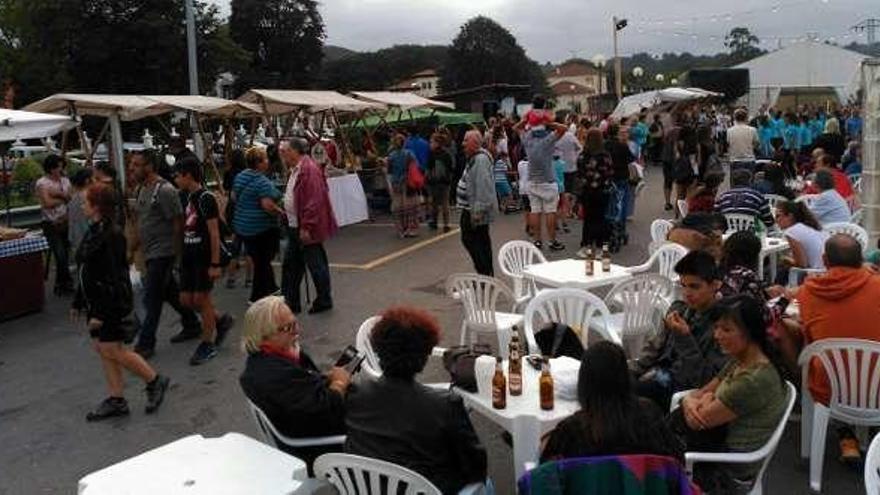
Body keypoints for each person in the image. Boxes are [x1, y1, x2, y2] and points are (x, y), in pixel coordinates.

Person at [345, 306, 488, 494]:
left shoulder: (354, 395)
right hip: (426, 489)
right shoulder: (444, 405)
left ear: (378, 349)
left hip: (366, 488)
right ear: (425, 355)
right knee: (484, 486)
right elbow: (476, 467)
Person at [72, 183, 169, 421]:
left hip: (110, 304)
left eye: (86, 202)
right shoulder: (94, 229)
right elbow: (86, 268)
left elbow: (115, 278)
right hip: (96, 302)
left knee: (112, 349)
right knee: (103, 348)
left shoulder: (111, 234)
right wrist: (78, 301)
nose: (82, 205)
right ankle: (117, 398)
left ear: (97, 207)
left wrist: (102, 314)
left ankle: (154, 380)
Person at [671, 296, 787, 494]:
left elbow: (697, 422)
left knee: (653, 441)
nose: (717, 335)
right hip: (716, 438)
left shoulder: (753, 380)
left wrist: (693, 401)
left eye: (726, 330)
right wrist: (695, 399)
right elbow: (704, 392)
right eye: (716, 328)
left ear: (750, 332)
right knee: (654, 428)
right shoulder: (741, 360)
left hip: (729, 467)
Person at [794, 234, 880, 462]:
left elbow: (810, 335)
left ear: (824, 259)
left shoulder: (807, 292)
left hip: (831, 388)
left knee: (829, 365)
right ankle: (868, 437)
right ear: (861, 258)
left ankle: (846, 436)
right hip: (877, 383)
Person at [239, 296, 350, 465]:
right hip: (321, 445)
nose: (297, 330)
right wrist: (339, 383)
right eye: (288, 327)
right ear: (265, 335)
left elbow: (304, 390)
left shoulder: (272, 358)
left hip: (312, 426)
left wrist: (325, 378)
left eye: (295, 322)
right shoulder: (274, 374)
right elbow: (326, 412)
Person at [541, 341, 684, 462]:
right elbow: (676, 460)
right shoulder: (650, 415)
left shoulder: (572, 429)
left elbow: (546, 472)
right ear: (625, 377)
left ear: (584, 383)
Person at [631, 251, 728, 410]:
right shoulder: (680, 310)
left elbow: (706, 380)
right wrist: (630, 372)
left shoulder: (724, 325)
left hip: (682, 390)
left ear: (715, 285)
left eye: (694, 286)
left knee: (621, 395)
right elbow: (653, 349)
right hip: (655, 376)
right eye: (683, 285)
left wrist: (684, 338)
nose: (687, 293)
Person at [130, 151, 203, 359]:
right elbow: (140, 222)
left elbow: (178, 223)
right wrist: (132, 248)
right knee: (169, 292)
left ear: (150, 166)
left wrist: (178, 255)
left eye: (137, 164)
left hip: (163, 252)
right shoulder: (141, 189)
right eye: (132, 164)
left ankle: (146, 343)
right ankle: (192, 323)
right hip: (149, 251)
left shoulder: (165, 190)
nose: (132, 168)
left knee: (152, 298)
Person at [174, 157, 234, 365]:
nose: (175, 179)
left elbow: (214, 233)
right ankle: (219, 320)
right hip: (188, 257)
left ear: (188, 175)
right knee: (186, 300)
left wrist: (215, 263)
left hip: (204, 258)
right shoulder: (184, 197)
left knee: (202, 300)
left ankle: (207, 343)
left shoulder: (205, 198)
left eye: (177, 175)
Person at [279, 137, 337, 315]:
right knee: (293, 265)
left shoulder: (308, 170)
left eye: (285, 150)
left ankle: (322, 299)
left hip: (304, 227)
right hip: (296, 225)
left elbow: (313, 201)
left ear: (295, 151)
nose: (282, 154)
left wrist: (307, 226)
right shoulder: (297, 169)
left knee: (314, 264)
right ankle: (292, 300)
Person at [232, 147, 284, 304]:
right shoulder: (262, 182)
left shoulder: (241, 176)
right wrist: (280, 212)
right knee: (263, 261)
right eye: (265, 159)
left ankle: (272, 287)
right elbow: (267, 205)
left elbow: (234, 197)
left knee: (259, 259)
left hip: (243, 226)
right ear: (259, 163)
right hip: (261, 227)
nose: (268, 162)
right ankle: (256, 296)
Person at [518, 118, 568, 251]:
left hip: (532, 180)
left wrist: (527, 120)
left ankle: (537, 240)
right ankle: (552, 241)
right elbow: (563, 128)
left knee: (535, 211)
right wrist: (549, 123)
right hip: (547, 180)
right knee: (550, 211)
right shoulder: (548, 140)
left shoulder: (527, 140)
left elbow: (516, 128)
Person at [456, 130, 498, 276]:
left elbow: (483, 188)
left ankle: (485, 275)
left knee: (474, 242)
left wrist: (477, 214)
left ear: (475, 143)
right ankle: (486, 275)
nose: (463, 144)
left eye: (466, 140)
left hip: (474, 211)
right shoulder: (475, 158)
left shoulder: (480, 160)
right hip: (471, 209)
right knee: (480, 243)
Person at [36, 154, 73, 295]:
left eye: (62, 166)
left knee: (65, 253)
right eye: (58, 166)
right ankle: (65, 283)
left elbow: (72, 198)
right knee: (60, 254)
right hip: (50, 223)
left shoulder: (65, 181)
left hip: (65, 220)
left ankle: (61, 284)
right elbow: (47, 203)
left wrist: (58, 195)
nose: (60, 169)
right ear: (51, 169)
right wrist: (63, 197)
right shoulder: (42, 183)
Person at [576, 128, 614, 256]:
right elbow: (609, 173)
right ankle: (600, 248)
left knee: (588, 219)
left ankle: (586, 246)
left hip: (587, 192)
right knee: (601, 219)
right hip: (602, 192)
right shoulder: (605, 156)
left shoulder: (582, 156)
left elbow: (580, 175)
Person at [222, 148, 252, 289]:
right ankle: (249, 278)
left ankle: (231, 278)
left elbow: (227, 191)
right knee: (249, 248)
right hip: (247, 210)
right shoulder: (249, 174)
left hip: (233, 210)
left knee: (236, 243)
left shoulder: (229, 173)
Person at [775, 201, 828, 271]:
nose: (776, 220)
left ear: (790, 216)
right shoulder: (810, 226)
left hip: (815, 272)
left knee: (782, 267)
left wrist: (785, 259)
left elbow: (802, 264)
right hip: (827, 269)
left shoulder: (791, 231)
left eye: (778, 216)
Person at [384, 133, 420, 238]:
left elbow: (389, 170)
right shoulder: (409, 154)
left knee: (398, 206)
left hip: (396, 183)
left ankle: (400, 229)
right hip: (408, 182)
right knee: (411, 206)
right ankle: (411, 228)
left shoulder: (391, 156)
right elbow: (415, 166)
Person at [426, 132, 454, 232]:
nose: (430, 144)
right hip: (445, 182)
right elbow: (451, 168)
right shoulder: (447, 154)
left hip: (434, 182)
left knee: (434, 202)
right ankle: (446, 224)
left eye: (431, 142)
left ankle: (434, 221)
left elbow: (428, 169)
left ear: (437, 143)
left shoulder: (432, 154)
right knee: (445, 202)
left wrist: (428, 179)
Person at [67, 167, 93, 255]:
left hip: (77, 239)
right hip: (88, 238)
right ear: (87, 180)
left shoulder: (73, 198)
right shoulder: (88, 196)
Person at [726, 109, 759, 174]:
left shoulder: (729, 131)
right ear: (746, 118)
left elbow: (728, 143)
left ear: (735, 118)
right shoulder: (753, 130)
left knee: (735, 182)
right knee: (749, 181)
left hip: (735, 160)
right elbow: (757, 143)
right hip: (749, 159)